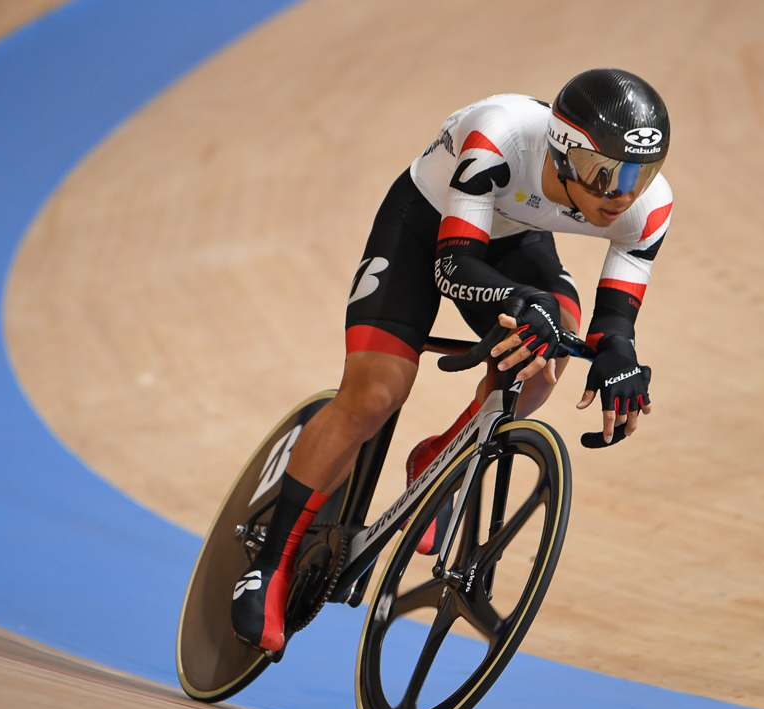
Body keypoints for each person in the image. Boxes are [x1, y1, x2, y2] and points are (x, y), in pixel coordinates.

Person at [232, 68, 674, 653]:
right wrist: (523, 301)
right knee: (375, 394)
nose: (622, 194)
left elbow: (615, 323)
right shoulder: (501, 134)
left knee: (549, 347)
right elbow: (454, 264)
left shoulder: (648, 208)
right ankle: (269, 561)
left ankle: (442, 458)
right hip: (425, 227)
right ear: (565, 153)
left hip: (513, 237)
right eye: (605, 174)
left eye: (640, 175)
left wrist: (618, 358)